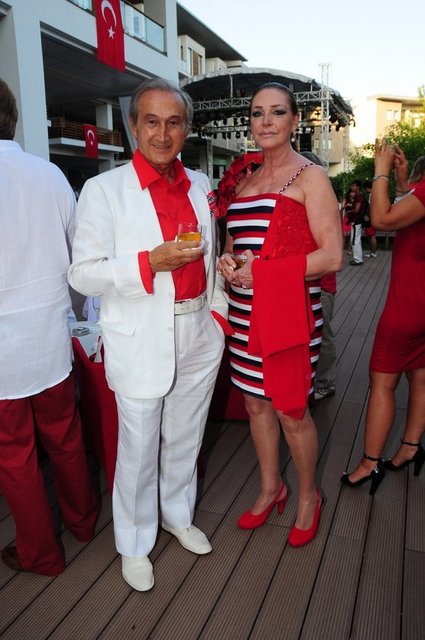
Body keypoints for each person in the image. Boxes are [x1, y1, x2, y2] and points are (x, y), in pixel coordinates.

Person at [68, 78, 229, 591]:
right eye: (152, 121)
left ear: (186, 128)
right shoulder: (104, 190)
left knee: (186, 434)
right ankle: (134, 543)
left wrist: (218, 317)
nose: (163, 133)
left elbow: (212, 253)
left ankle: (177, 515)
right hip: (140, 335)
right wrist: (148, 263)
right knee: (138, 448)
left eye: (173, 122)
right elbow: (83, 274)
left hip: (199, 327)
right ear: (133, 126)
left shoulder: (200, 184)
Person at [216, 83, 343, 547]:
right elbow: (235, 246)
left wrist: (265, 273)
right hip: (245, 315)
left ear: (294, 121)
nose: (266, 121)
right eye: (257, 113)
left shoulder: (310, 176)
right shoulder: (244, 182)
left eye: (277, 112)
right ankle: (272, 488)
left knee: (291, 411)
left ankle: (309, 496)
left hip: (289, 315)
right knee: (255, 404)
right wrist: (228, 264)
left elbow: (332, 256)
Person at [0, 79, 98, 576]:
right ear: (13, 119)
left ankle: (40, 553)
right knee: (64, 434)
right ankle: (83, 522)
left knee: (14, 454)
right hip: (49, 334)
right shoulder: (51, 175)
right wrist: (77, 313)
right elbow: (79, 259)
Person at [341, 142, 425, 494]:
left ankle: (369, 463)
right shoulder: (420, 195)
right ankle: (410, 447)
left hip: (409, 306)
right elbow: (410, 214)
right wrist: (404, 183)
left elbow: (382, 219)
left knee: (382, 381)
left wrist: (381, 171)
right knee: (419, 375)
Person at [300, 152, 337, 401]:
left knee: (322, 334)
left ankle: (324, 382)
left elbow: (331, 252)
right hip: (300, 281)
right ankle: (309, 383)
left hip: (321, 283)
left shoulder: (323, 199)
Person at [348, 179, 367, 265]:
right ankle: (357, 258)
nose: (352, 187)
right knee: (356, 239)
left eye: (353, 186)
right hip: (358, 221)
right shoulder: (360, 196)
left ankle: (358, 259)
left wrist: (349, 211)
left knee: (355, 240)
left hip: (357, 221)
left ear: (358, 187)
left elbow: (356, 210)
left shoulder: (359, 196)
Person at [363, 179, 378, 258]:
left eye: (365, 189)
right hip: (372, 216)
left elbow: (372, 207)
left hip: (371, 217)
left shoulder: (372, 195)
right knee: (370, 234)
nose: (365, 190)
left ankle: (374, 252)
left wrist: (369, 217)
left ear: (367, 188)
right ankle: (372, 251)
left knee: (372, 235)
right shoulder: (373, 194)